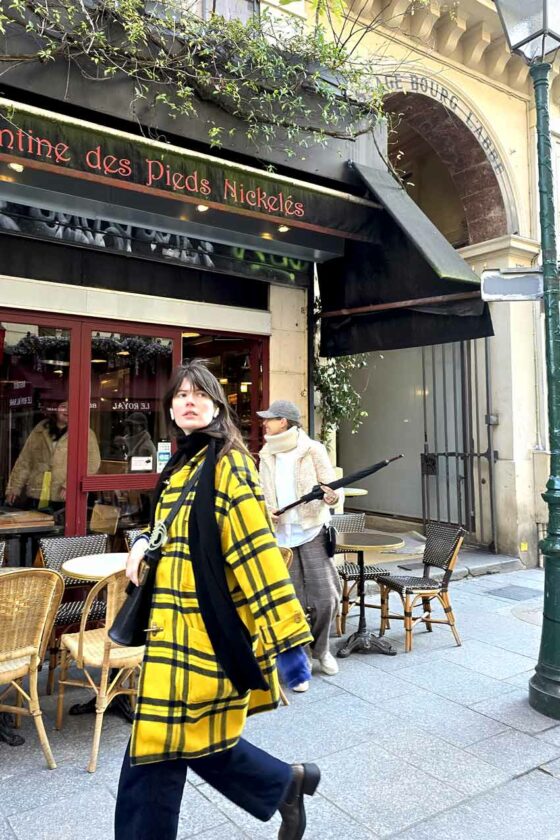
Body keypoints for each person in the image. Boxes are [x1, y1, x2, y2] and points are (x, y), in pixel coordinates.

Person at [115, 360, 321, 840]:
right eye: (181, 394)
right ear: (170, 407)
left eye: (200, 394)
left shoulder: (229, 464)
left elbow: (257, 553)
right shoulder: (183, 463)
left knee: (155, 747)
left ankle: (283, 785)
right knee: (177, 743)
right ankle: (284, 785)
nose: (189, 401)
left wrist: (291, 644)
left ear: (217, 405)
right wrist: (144, 541)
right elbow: (169, 530)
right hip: (171, 630)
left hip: (206, 636)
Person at [257, 400, 342, 691]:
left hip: (312, 530)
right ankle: (301, 659)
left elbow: (333, 489)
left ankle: (322, 650)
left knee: (325, 598)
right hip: (281, 537)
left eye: (270, 419)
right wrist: (265, 510)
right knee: (290, 601)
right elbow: (261, 491)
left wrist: (331, 496)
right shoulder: (266, 453)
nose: (265, 423)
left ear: (285, 422)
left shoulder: (312, 449)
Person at [5, 400, 100, 509]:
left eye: (72, 406)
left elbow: (93, 464)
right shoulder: (40, 429)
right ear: (55, 409)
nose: (68, 410)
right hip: (38, 491)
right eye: (63, 406)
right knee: (41, 523)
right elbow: (25, 460)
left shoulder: (85, 432)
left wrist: (70, 484)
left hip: (65, 495)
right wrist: (14, 487)